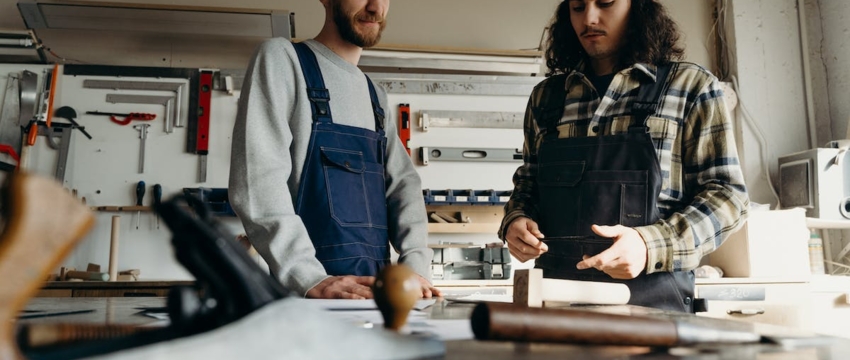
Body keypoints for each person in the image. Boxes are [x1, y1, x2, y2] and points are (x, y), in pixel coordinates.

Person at [499, 0, 749, 312]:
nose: (589, 19)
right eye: (577, 7)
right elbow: (528, 185)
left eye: (605, 3)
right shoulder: (546, 98)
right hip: (557, 308)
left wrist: (649, 245)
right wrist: (516, 220)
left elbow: (728, 197)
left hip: (655, 311)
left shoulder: (690, 88)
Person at [229, 0, 440, 300]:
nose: (375, 6)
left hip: (376, 301)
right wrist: (308, 277)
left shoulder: (375, 96)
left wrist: (415, 267)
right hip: (306, 299)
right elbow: (257, 181)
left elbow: (403, 185)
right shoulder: (283, 60)